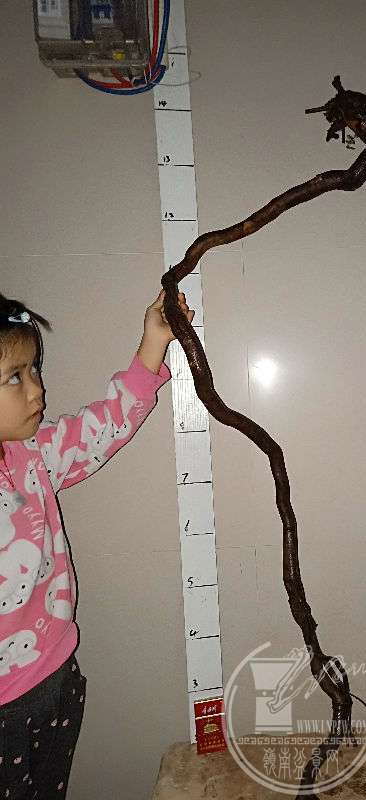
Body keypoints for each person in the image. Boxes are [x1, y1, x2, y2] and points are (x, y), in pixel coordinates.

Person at [0, 288, 194, 797]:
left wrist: (153, 345)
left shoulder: (32, 456)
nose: (38, 390)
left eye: (35, 369)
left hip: (56, 678)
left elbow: (103, 426)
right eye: (15, 377)